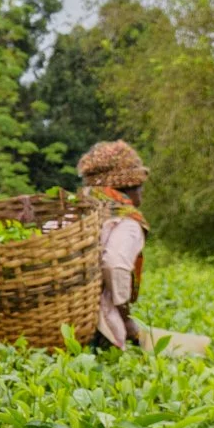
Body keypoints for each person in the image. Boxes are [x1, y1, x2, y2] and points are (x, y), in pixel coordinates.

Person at [78, 140, 148, 349]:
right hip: (96, 325)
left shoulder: (74, 210)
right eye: (141, 187)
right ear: (128, 187)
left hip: (59, 317)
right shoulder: (127, 222)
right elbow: (115, 264)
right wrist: (125, 317)